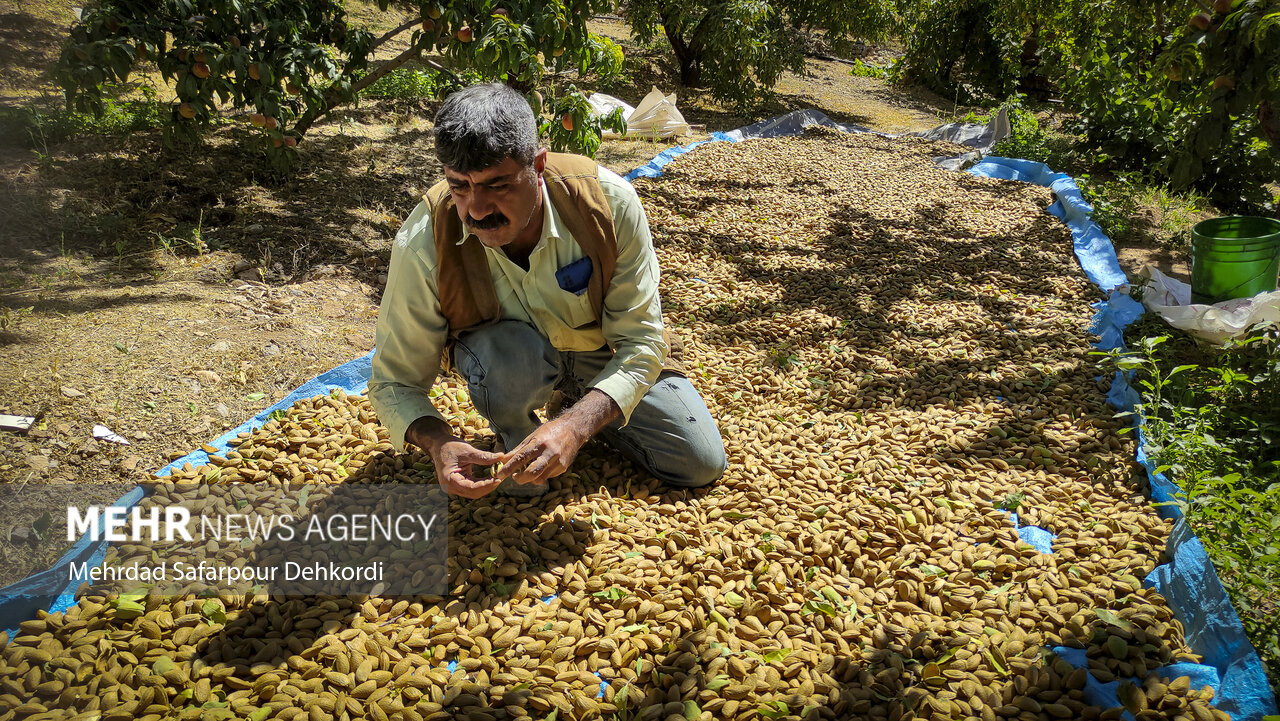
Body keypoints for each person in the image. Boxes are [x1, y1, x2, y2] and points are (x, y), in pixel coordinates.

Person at [369, 82, 727, 499]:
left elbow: (643, 343)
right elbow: (394, 382)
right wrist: (440, 444)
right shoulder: (424, 239)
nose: (477, 210)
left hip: (602, 354)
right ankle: (517, 430)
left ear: (537, 166)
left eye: (497, 185)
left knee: (698, 461)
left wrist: (577, 425)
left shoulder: (608, 205)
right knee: (520, 464)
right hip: (509, 362)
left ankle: (578, 408)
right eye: (459, 186)